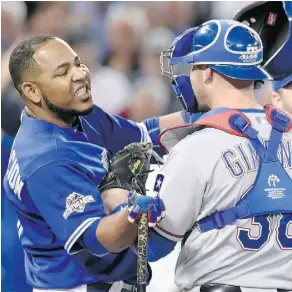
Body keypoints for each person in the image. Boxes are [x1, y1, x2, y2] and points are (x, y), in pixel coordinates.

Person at [2, 35, 197, 292]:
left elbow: (143, 133)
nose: (80, 74)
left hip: (105, 277)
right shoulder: (46, 158)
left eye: (77, 63)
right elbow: (99, 238)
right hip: (78, 285)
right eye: (62, 73)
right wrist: (132, 214)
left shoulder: (70, 112)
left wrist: (207, 117)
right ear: (32, 91)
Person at [144, 19, 292, 292]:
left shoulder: (197, 147)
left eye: (193, 67)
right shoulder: (288, 134)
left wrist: (116, 204)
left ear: (208, 73)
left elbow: (152, 246)